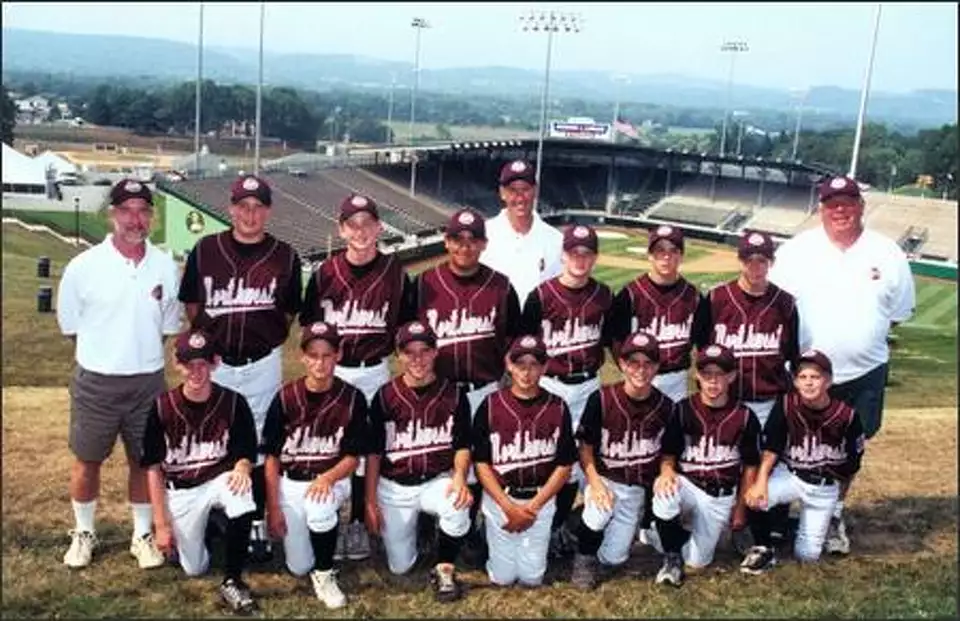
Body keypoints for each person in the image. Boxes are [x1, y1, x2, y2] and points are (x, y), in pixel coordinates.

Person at [768, 175, 915, 555]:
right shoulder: (797, 250)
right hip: (803, 375)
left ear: (861, 206)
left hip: (863, 372)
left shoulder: (887, 253)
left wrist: (857, 338)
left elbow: (897, 313)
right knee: (790, 444)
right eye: (832, 204)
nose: (840, 210)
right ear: (821, 208)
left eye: (848, 203)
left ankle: (833, 512)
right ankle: (779, 515)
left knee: (848, 451)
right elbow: (775, 308)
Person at [56, 178, 182, 570]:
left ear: (152, 218)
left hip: (147, 381)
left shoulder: (164, 265)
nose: (135, 219)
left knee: (145, 462)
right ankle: (84, 532)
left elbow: (168, 324)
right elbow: (71, 326)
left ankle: (141, 534)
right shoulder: (83, 266)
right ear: (112, 215)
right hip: (96, 380)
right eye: (126, 211)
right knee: (87, 460)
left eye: (143, 211)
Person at [178, 174, 303, 563]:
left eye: (258, 207)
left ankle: (256, 522)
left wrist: (261, 337)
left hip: (262, 362)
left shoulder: (285, 255)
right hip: (215, 364)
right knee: (214, 436)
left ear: (268, 211)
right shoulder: (206, 249)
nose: (250, 214)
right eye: (243, 206)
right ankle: (219, 511)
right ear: (231, 208)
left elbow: (287, 312)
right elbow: (194, 307)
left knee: (263, 442)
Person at [300, 193, 412, 562]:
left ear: (380, 228)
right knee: (328, 444)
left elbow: (407, 328)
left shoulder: (396, 273)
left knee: (368, 449)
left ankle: (360, 523)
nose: (361, 232)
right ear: (341, 229)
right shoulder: (325, 273)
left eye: (368, 224)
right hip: (333, 372)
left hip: (374, 370)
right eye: (353, 225)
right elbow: (308, 326)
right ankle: (323, 515)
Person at [410, 207, 523, 565]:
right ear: (446, 241)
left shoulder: (501, 286)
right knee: (434, 454)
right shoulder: (424, 284)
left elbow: (514, 342)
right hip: (437, 390)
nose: (464, 246)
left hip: (482, 389)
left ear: (483, 244)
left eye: (472, 239)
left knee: (478, 460)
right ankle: (428, 524)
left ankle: (469, 526)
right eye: (457, 239)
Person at [692, 229, 799, 548]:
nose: (756, 266)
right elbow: (702, 347)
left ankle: (760, 525)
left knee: (767, 463)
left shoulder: (785, 303)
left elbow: (791, 352)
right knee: (727, 461)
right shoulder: (716, 299)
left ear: (771, 262)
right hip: (729, 399)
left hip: (768, 399)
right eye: (749, 259)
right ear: (739, 260)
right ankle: (721, 518)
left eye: (762, 260)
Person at [141, 330, 259, 614]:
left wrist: (243, 466)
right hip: (182, 488)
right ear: (177, 364)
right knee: (194, 568)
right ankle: (211, 527)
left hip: (218, 476)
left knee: (241, 496)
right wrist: (161, 524)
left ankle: (233, 579)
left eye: (203, 363)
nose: (196, 371)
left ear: (215, 362)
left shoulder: (233, 402)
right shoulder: (161, 407)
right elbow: (153, 467)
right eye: (189, 363)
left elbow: (246, 452)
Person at [519, 223, 613, 558]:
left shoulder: (603, 296)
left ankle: (560, 523)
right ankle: (543, 517)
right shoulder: (540, 296)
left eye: (587, 254)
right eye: (574, 252)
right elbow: (522, 347)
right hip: (549, 384)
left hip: (587, 383)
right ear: (563, 255)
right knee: (548, 455)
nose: (580, 259)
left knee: (576, 459)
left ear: (595, 258)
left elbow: (612, 341)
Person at [607, 223, 702, 549]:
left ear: (680, 256)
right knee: (637, 445)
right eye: (660, 251)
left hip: (674, 379)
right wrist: (631, 373)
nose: (666, 257)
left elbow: (703, 343)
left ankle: (656, 516)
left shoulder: (692, 296)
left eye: (672, 251)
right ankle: (632, 513)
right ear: (651, 255)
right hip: (639, 381)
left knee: (666, 447)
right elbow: (615, 339)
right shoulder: (631, 294)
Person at [260, 322, 366, 609]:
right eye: (314, 355)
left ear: (338, 356)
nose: (320, 362)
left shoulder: (353, 398)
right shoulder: (285, 397)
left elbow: (353, 457)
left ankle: (325, 573)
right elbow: (271, 457)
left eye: (327, 355)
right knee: (297, 566)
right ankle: (319, 550)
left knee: (320, 507)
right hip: (292, 482)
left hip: (332, 477)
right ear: (302, 357)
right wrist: (273, 508)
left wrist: (328, 477)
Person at [364, 321, 473, 603]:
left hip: (436, 480)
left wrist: (460, 477)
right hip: (394, 486)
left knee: (457, 505)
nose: (418, 359)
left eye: (425, 351)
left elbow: (462, 445)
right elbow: (373, 453)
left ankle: (444, 567)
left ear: (436, 352)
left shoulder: (454, 394)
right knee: (400, 567)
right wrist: (370, 502)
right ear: (398, 356)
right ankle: (421, 530)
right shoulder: (385, 396)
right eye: (409, 352)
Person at [741, 350, 865, 574]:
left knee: (806, 556)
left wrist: (837, 504)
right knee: (755, 498)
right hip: (792, 476)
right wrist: (759, 483)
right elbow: (771, 449)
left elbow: (852, 466)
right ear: (795, 382)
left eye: (815, 377)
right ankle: (764, 548)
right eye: (803, 377)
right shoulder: (786, 404)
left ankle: (803, 525)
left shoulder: (846, 416)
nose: (809, 383)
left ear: (828, 381)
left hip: (824, 488)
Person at [471, 335, 577, 587]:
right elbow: (482, 464)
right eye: (520, 364)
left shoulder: (558, 407)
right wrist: (509, 508)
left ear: (544, 367)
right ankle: (490, 534)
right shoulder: (490, 405)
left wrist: (532, 509)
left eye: (533, 364)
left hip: (539, 500)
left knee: (532, 579)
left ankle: (522, 537)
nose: (527, 372)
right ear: (509, 365)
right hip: (501, 500)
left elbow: (564, 466)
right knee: (503, 579)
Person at [651, 344, 761, 588]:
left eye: (720, 374)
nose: (713, 381)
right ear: (697, 375)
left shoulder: (744, 416)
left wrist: (740, 511)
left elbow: (751, 467)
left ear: (731, 376)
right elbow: (668, 454)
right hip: (688, 484)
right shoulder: (682, 409)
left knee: (698, 562)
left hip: (720, 494)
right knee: (665, 492)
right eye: (707, 374)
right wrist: (667, 472)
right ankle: (671, 558)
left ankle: (660, 533)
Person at [571, 331, 675, 590]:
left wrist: (666, 471)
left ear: (657, 367)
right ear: (622, 365)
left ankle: (574, 527)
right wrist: (594, 483)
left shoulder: (667, 406)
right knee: (598, 509)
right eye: (633, 362)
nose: (641, 369)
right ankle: (583, 557)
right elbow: (586, 446)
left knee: (613, 558)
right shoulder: (602, 398)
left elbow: (669, 451)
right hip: (605, 477)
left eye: (648, 363)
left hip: (635, 489)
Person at [479, 159, 564, 305]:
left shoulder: (556, 240)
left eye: (525, 189)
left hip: (535, 325)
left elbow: (559, 294)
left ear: (535, 191)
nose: (520, 197)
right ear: (502, 193)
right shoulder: (483, 234)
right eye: (512, 190)